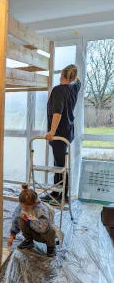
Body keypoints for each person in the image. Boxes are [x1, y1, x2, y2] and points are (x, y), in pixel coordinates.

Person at [44, 64, 81, 204]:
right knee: (59, 165)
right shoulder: (74, 88)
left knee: (60, 166)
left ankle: (62, 197)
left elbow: (57, 113)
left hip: (59, 134)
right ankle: (56, 192)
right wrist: (73, 76)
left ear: (63, 76)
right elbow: (79, 82)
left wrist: (51, 132)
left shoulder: (58, 90)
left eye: (61, 75)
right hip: (68, 132)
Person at [7, 184, 56, 257]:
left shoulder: (41, 210)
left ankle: (51, 247)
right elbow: (15, 220)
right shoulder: (21, 207)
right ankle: (28, 241)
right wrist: (12, 235)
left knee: (51, 231)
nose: (24, 208)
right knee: (20, 219)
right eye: (23, 206)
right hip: (33, 230)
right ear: (20, 203)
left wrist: (29, 220)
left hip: (43, 234)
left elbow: (43, 228)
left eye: (27, 207)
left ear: (34, 204)